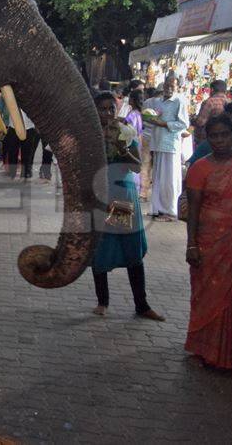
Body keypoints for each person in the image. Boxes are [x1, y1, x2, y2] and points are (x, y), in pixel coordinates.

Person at [183, 115, 232, 369]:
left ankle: (229, 351)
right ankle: (207, 349)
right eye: (213, 136)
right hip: (208, 242)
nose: (219, 140)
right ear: (207, 138)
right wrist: (191, 244)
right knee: (208, 296)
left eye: (224, 135)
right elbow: (193, 210)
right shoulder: (200, 168)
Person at [90, 92, 164, 321]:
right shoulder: (90, 135)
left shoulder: (126, 132)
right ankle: (102, 302)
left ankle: (141, 305)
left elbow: (135, 167)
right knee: (100, 248)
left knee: (130, 247)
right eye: (102, 109)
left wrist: (121, 148)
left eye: (111, 108)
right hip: (99, 196)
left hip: (121, 195)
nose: (107, 113)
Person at [149, 75, 190, 221]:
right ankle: (158, 208)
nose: (169, 88)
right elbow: (154, 118)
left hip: (171, 144)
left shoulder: (179, 101)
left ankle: (171, 211)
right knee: (158, 178)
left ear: (178, 87)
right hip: (158, 143)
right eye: (167, 85)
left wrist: (164, 124)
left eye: (172, 86)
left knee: (170, 179)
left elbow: (183, 124)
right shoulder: (159, 101)